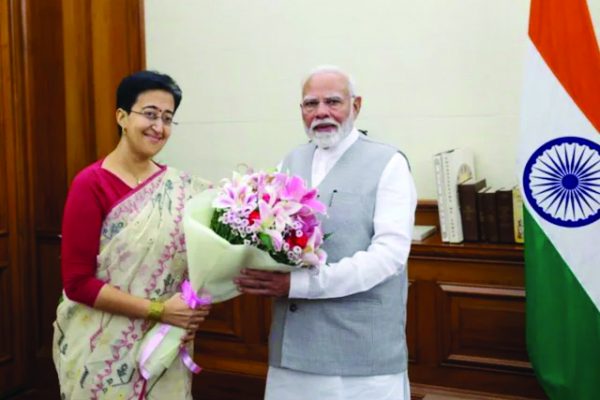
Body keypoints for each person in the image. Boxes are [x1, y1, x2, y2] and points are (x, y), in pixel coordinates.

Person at [235, 65, 417, 400]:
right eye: (310, 104)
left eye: (333, 101)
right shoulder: (289, 162)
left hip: (361, 354)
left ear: (356, 106)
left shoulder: (389, 162)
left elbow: (389, 257)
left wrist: (301, 284)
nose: (321, 112)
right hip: (293, 351)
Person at [52, 70, 211, 399]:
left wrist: (192, 305)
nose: (159, 126)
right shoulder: (91, 184)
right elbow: (77, 282)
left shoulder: (182, 189)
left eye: (168, 118)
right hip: (101, 349)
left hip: (164, 344)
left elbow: (200, 264)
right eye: (150, 114)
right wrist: (157, 310)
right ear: (122, 117)